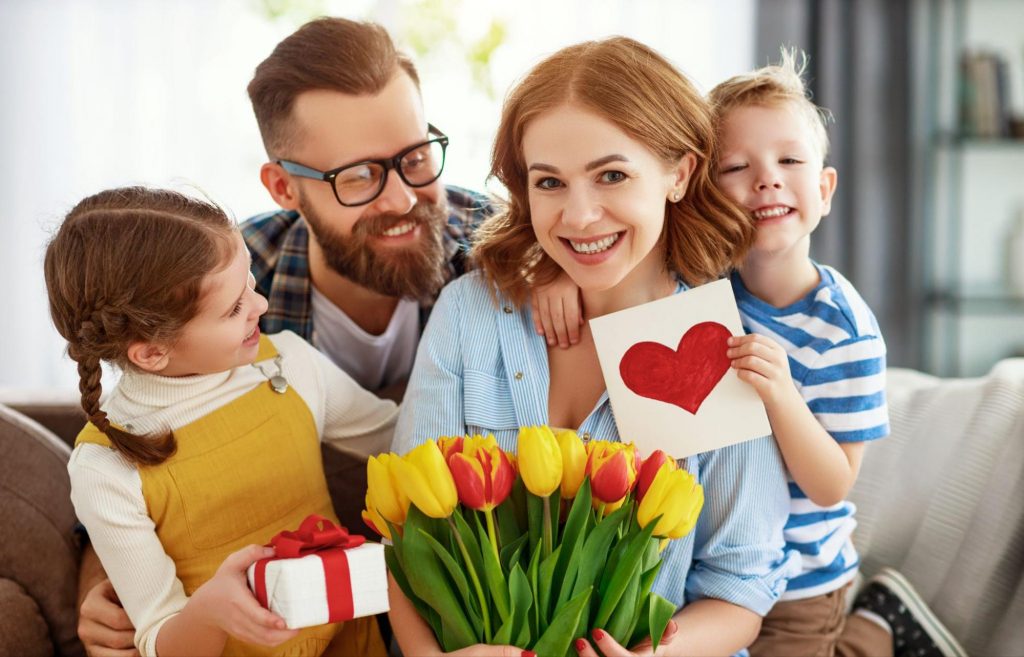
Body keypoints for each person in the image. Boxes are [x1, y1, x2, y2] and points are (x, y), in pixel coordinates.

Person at [389, 37, 799, 657]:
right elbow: (405, 533)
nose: (579, 216)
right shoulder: (472, 314)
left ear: (678, 173)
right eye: (550, 182)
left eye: (612, 175)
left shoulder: (713, 347)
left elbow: (741, 586)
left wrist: (652, 655)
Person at [47, 187, 398, 657]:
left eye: (250, 281)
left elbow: (406, 438)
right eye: (234, 308)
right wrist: (208, 611)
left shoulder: (290, 363)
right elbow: (158, 640)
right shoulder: (105, 466)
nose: (261, 306)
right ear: (152, 352)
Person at [712, 53, 967, 657]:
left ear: (823, 189)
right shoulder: (697, 290)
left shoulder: (845, 331)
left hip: (801, 581)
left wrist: (779, 393)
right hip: (717, 569)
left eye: (790, 161)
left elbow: (832, 484)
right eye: (737, 166)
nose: (766, 178)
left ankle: (877, 626)